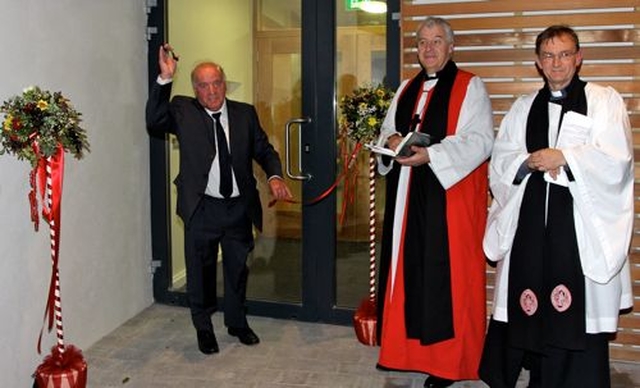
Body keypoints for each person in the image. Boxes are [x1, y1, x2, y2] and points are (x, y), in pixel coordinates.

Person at [479, 25, 634, 387]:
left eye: (565, 54)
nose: (557, 63)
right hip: (532, 227)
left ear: (579, 58)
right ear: (538, 62)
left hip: (578, 229)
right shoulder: (522, 108)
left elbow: (616, 160)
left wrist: (564, 157)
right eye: (548, 56)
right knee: (528, 299)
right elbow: (500, 162)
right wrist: (526, 162)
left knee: (574, 307)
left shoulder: (603, 101)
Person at [145, 44, 293, 355]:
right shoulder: (182, 111)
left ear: (224, 83)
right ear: (194, 88)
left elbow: (263, 150)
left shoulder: (245, 113)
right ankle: (204, 328)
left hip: (238, 206)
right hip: (202, 207)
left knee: (238, 269)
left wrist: (276, 176)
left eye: (216, 83)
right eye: (203, 85)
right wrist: (164, 78)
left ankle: (237, 323)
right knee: (200, 271)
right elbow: (155, 121)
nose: (211, 91)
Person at [374, 17, 494, 388]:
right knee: (408, 275)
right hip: (408, 197)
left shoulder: (470, 86)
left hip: (449, 199)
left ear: (451, 46)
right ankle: (406, 352)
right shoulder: (406, 87)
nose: (429, 48)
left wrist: (433, 156)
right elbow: (387, 130)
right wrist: (392, 143)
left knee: (449, 279)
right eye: (422, 42)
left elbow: (480, 141)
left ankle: (449, 364)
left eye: (437, 41)